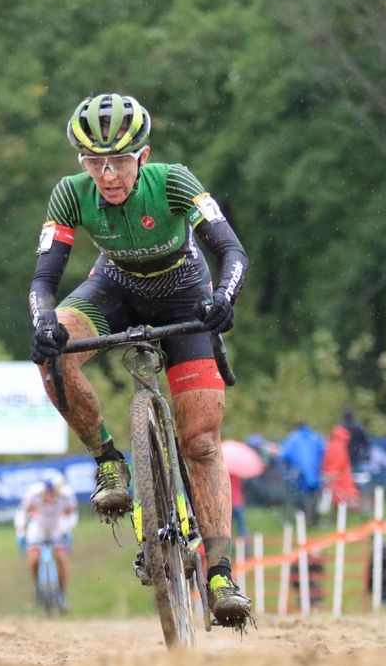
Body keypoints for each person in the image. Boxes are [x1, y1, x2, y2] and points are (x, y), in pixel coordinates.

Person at [27, 93, 252, 629]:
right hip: (115, 285)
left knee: (199, 441)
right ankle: (108, 460)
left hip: (184, 289)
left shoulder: (173, 180)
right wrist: (43, 323)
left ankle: (219, 572)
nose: (108, 174)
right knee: (52, 355)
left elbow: (233, 252)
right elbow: (43, 280)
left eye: (120, 160)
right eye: (94, 161)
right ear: (81, 163)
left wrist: (225, 297)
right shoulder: (70, 195)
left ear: (143, 156)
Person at [14, 472, 79, 611]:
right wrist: (20, 533)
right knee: (34, 559)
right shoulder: (33, 493)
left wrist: (68, 529)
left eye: (55, 493)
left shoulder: (66, 495)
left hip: (56, 527)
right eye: (50, 492)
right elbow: (22, 511)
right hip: (38, 527)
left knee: (61, 559)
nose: (52, 496)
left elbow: (72, 513)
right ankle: (37, 588)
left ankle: (62, 595)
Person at [280, 422, 325, 524]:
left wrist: (291, 464)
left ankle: (304, 519)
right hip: (314, 474)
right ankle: (312, 518)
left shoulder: (293, 439)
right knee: (313, 496)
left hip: (300, 474)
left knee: (301, 496)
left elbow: (284, 455)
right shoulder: (316, 437)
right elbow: (323, 451)